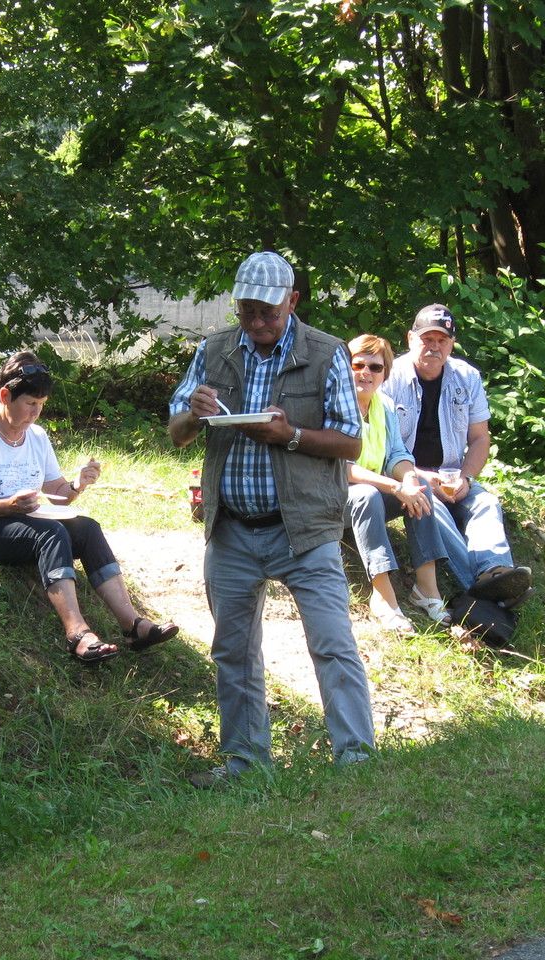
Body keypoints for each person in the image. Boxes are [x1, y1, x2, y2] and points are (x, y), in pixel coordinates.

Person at [168, 251, 375, 787]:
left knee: (332, 644)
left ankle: (356, 761)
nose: (257, 323)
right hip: (232, 528)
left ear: (292, 302)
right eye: (246, 312)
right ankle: (245, 765)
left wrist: (293, 436)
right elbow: (176, 432)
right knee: (233, 652)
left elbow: (351, 440)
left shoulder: (327, 353)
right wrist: (194, 410)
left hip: (305, 530)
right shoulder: (212, 351)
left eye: (268, 313)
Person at [0, 351, 178, 663]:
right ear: (5, 395)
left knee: (87, 528)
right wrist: (8, 505)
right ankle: (77, 633)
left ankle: (132, 625)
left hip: (23, 521)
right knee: (51, 533)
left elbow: (57, 492)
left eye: (41, 404)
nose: (37, 412)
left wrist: (78, 484)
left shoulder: (37, 437)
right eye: (30, 403)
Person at [379, 304, 532, 605]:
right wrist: (422, 477)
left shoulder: (467, 377)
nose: (434, 347)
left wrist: (467, 477)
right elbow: (382, 448)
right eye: (427, 339)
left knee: (486, 502)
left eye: (442, 340)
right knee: (427, 502)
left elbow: (480, 438)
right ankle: (484, 589)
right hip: (405, 475)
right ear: (411, 339)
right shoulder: (389, 377)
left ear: (451, 343)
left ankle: (494, 570)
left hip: (452, 475)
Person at [345, 334, 456, 633]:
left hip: (372, 493)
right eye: (357, 364)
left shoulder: (385, 405)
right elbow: (339, 467)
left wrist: (407, 477)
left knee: (419, 483)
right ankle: (382, 594)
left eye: (375, 367)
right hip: (330, 498)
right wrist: (394, 487)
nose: (365, 372)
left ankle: (426, 589)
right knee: (366, 494)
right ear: (346, 366)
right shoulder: (333, 403)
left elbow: (397, 453)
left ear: (385, 374)